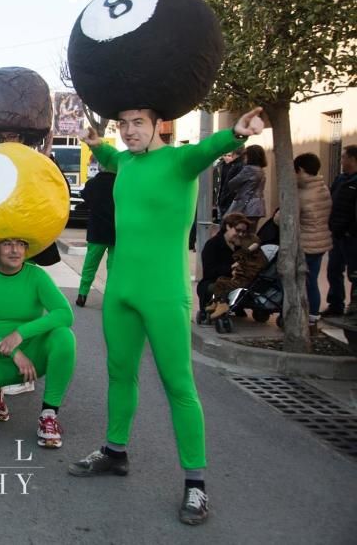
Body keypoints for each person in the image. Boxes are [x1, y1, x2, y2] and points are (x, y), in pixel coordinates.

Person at [68, 107, 265, 526]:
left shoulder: (180, 160)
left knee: (179, 385)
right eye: (123, 124)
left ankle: (196, 484)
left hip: (164, 294)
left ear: (159, 125)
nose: (129, 131)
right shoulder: (122, 161)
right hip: (120, 291)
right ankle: (115, 451)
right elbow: (107, 155)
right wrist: (92, 139)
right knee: (119, 374)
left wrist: (236, 133)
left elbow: (211, 147)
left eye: (138, 122)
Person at [0, 238, 75, 446]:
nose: (15, 250)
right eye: (7, 244)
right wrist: (14, 352)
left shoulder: (36, 275)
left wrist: (20, 333)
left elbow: (65, 314)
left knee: (64, 337)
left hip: (31, 356)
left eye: (20, 244)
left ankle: (49, 415)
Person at [294, 154, 332, 323]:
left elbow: (286, 219)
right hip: (321, 241)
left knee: (301, 281)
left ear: (301, 170)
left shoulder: (303, 193)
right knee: (313, 280)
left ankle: (302, 314)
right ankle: (314, 315)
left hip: (306, 242)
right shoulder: (322, 187)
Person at [207, 222, 267, 321]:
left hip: (245, 281)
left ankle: (222, 304)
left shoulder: (251, 256)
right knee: (221, 279)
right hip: (243, 278)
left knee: (222, 283)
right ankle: (216, 302)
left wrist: (238, 267)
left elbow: (249, 269)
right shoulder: (251, 255)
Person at [323, 145, 357, 317]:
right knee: (333, 270)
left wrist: (350, 231)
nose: (341, 160)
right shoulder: (341, 179)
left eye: (343, 157)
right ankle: (335, 304)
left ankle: (354, 308)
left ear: (352, 159)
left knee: (354, 273)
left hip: (351, 237)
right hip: (336, 234)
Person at [75, 170, 116, 307]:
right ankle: (110, 297)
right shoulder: (120, 183)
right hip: (116, 232)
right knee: (113, 266)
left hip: (96, 231)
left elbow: (86, 200)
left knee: (90, 265)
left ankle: (82, 294)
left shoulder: (92, 184)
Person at [196, 213, 247, 322]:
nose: (241, 234)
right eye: (238, 230)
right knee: (220, 286)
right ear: (228, 226)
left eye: (243, 232)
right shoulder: (212, 245)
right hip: (213, 282)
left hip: (237, 281)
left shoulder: (241, 246)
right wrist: (231, 268)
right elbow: (209, 272)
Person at [225, 144, 267, 225]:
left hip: (246, 206)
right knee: (251, 232)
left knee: (237, 230)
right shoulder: (261, 170)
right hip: (258, 206)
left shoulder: (249, 169)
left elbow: (232, 183)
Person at [214, 148, 244, 219]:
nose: (227, 157)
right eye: (225, 155)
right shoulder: (218, 167)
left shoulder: (237, 167)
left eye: (229, 155)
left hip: (230, 199)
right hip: (219, 198)